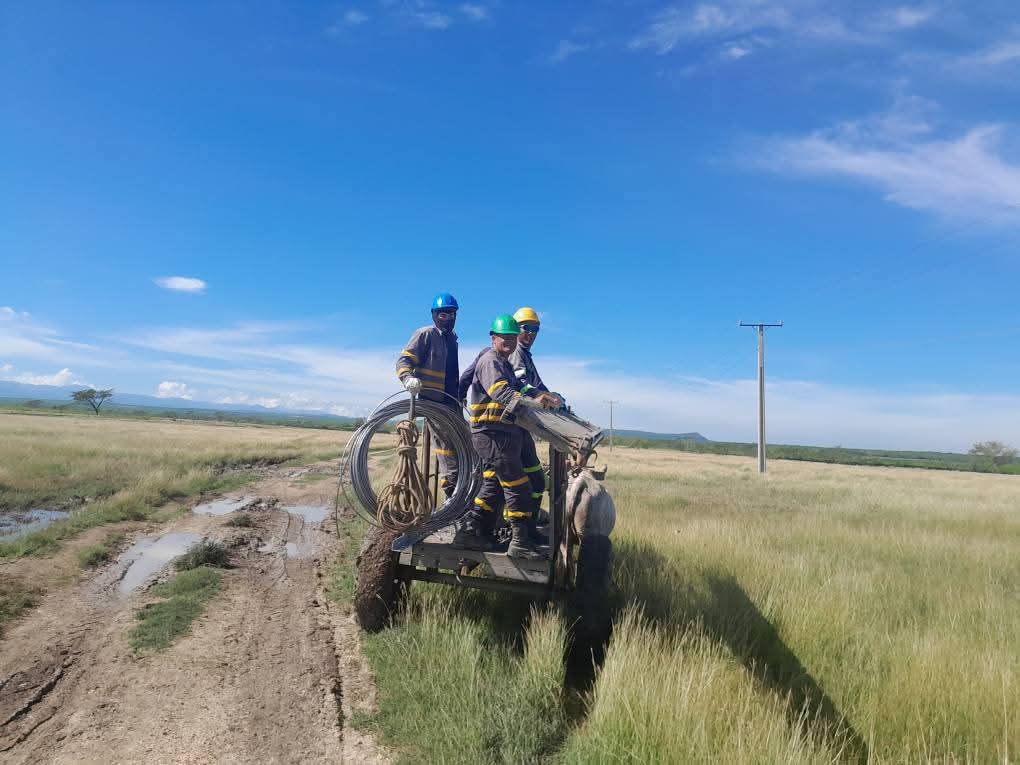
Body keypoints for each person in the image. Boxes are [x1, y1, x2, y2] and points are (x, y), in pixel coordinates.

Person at [453, 314, 560, 559]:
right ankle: (520, 543)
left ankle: (470, 532)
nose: (509, 342)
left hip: (502, 433)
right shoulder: (491, 361)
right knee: (518, 486)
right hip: (491, 434)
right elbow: (500, 392)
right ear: (493, 338)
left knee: (492, 485)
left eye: (513, 338)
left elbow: (519, 387)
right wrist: (532, 401)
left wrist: (541, 395)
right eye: (505, 338)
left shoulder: (504, 362)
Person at [395, 292, 460, 499]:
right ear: (434, 315)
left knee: (463, 444)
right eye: (443, 314)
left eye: (451, 313)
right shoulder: (425, 334)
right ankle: (452, 491)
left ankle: (458, 486)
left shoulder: (452, 340)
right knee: (447, 446)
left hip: (452, 402)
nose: (448, 318)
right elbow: (404, 361)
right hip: (433, 403)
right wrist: (407, 378)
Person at [509, 307, 555, 526]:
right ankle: (513, 527)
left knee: (536, 481)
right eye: (526, 328)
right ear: (516, 329)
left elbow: (537, 384)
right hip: (511, 427)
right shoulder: (515, 352)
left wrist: (553, 396)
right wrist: (542, 396)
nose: (530, 334)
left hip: (522, 428)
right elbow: (522, 385)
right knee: (514, 484)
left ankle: (530, 522)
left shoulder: (525, 354)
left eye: (535, 329)